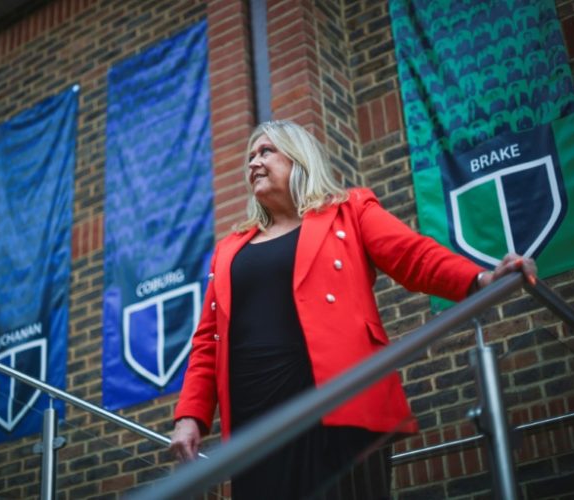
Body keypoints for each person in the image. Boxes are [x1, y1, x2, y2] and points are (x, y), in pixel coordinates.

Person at [169, 120, 537, 499]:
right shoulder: (229, 248)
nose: (253, 163)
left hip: (338, 399)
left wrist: (480, 279)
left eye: (266, 152)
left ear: (300, 158)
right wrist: (189, 417)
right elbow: (207, 343)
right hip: (253, 415)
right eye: (249, 157)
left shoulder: (349, 211)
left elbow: (413, 256)